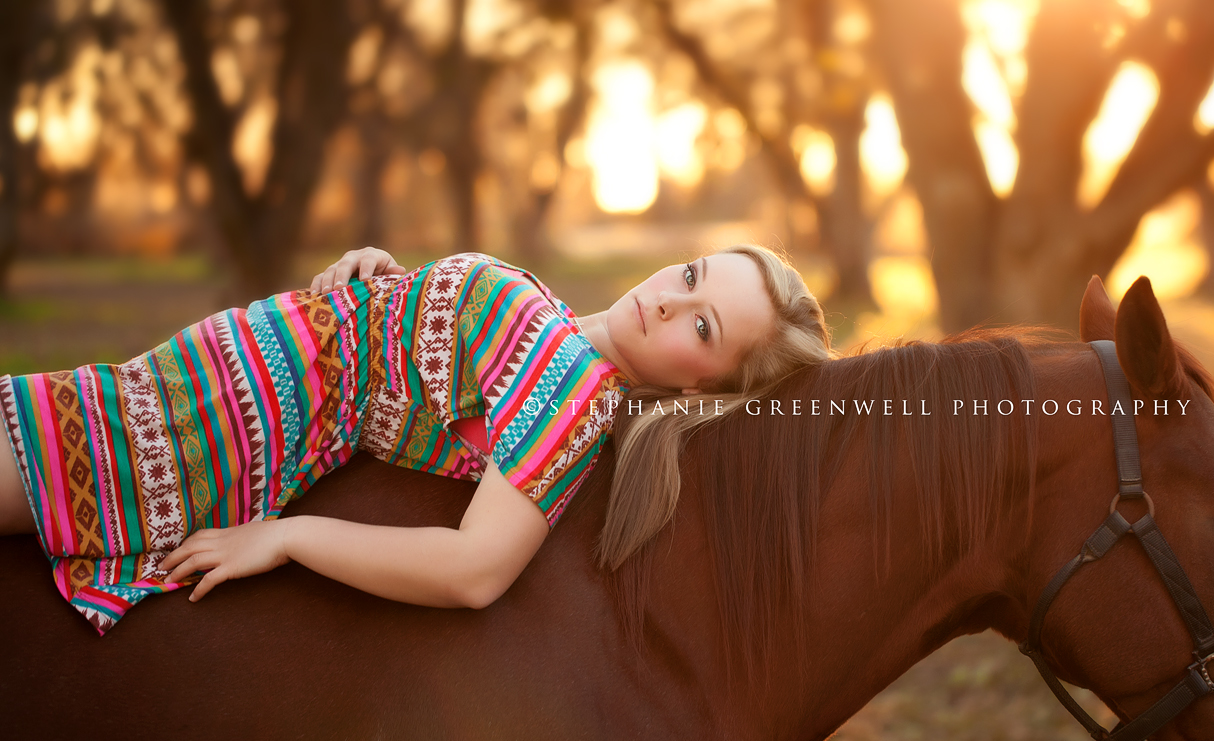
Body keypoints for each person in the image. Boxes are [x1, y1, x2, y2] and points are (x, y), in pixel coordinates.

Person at [0, 246, 829, 633]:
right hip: (200, 378)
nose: (669, 301)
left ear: (701, 387)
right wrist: (388, 281)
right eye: (691, 277)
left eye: (705, 325)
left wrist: (289, 537)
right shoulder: (556, 327)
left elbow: (475, 572)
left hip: (192, 435)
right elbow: (430, 381)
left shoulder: (573, 397)